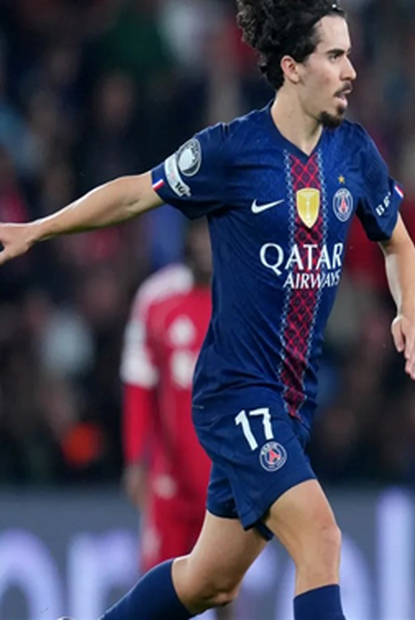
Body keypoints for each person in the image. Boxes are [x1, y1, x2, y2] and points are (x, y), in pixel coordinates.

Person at [0, 0, 415, 620]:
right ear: (292, 68)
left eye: (349, 55)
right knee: (321, 538)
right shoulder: (233, 151)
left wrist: (409, 310)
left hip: (292, 401)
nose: (351, 70)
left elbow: (398, 243)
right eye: (335, 56)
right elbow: (136, 193)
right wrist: (38, 229)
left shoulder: (353, 152)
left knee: (210, 582)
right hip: (238, 393)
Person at [120, 219, 230, 620]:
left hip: (224, 474)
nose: (206, 244)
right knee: (156, 589)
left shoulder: (242, 296)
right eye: (200, 233)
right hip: (169, 479)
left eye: (214, 233)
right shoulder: (156, 298)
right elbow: (139, 383)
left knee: (225, 589)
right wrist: (136, 458)